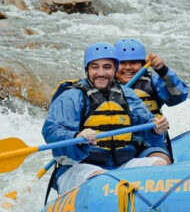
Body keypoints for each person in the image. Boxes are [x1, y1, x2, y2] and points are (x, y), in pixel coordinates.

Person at [42, 42, 171, 194]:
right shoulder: (72, 96)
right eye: (95, 67)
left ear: (115, 69)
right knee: (103, 181)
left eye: (107, 67)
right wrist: (77, 136)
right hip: (80, 168)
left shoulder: (127, 95)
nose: (101, 73)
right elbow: (51, 131)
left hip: (121, 165)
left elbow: (147, 126)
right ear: (87, 70)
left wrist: (156, 128)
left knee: (160, 166)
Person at [114, 37, 188, 155]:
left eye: (133, 62)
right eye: (122, 63)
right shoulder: (104, 86)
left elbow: (178, 96)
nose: (128, 67)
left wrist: (162, 71)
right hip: (118, 147)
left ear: (143, 64)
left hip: (151, 145)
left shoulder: (154, 82)